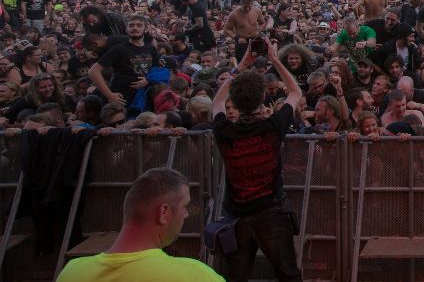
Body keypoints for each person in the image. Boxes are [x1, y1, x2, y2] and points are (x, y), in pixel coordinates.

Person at [211, 38, 302, 282]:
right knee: (288, 275)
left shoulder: (223, 131)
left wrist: (241, 65)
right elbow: (295, 92)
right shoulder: (272, 126)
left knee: (235, 277)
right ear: (263, 97)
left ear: (236, 102)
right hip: (271, 213)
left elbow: (217, 102)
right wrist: (274, 59)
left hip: (236, 216)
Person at [56, 167, 223, 282]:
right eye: (184, 206)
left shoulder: (71, 273)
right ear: (163, 212)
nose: (186, 214)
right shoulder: (197, 276)